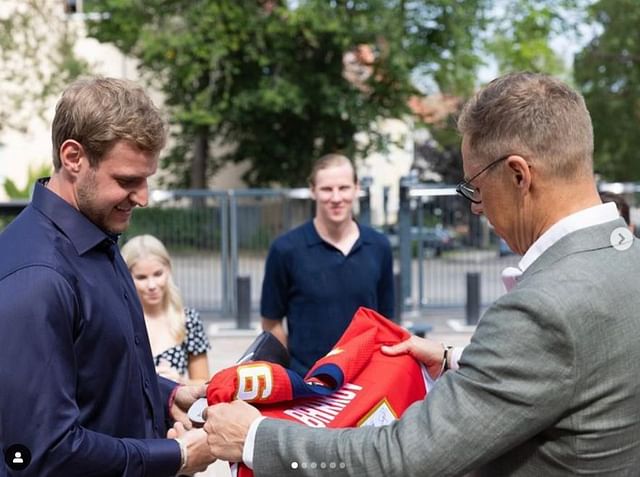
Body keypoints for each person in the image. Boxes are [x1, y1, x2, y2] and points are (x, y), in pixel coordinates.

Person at [203, 72, 640, 476]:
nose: (476, 207)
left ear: (518, 175)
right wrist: (459, 362)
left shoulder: (541, 310)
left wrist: (255, 438)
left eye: (475, 187)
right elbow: (575, 369)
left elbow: (404, 458)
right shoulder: (629, 259)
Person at [0, 77, 215, 476]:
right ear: (73, 157)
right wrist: (177, 458)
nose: (144, 197)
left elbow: (96, 377)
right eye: (128, 181)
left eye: (147, 178)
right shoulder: (38, 278)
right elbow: (42, 453)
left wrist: (168, 397)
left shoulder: (96, 236)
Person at [260, 153, 394, 376]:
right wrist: (292, 374)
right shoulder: (285, 249)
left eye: (343, 188)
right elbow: (271, 322)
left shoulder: (379, 246)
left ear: (356, 188)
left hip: (364, 380)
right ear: (313, 190)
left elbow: (386, 320)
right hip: (307, 382)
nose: (336, 197)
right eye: (326, 189)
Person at [121, 234, 211, 384]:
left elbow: (203, 382)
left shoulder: (188, 320)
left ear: (168, 269)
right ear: (126, 277)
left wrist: (178, 381)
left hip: (175, 405)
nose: (152, 285)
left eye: (158, 274)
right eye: (141, 277)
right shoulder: (120, 322)